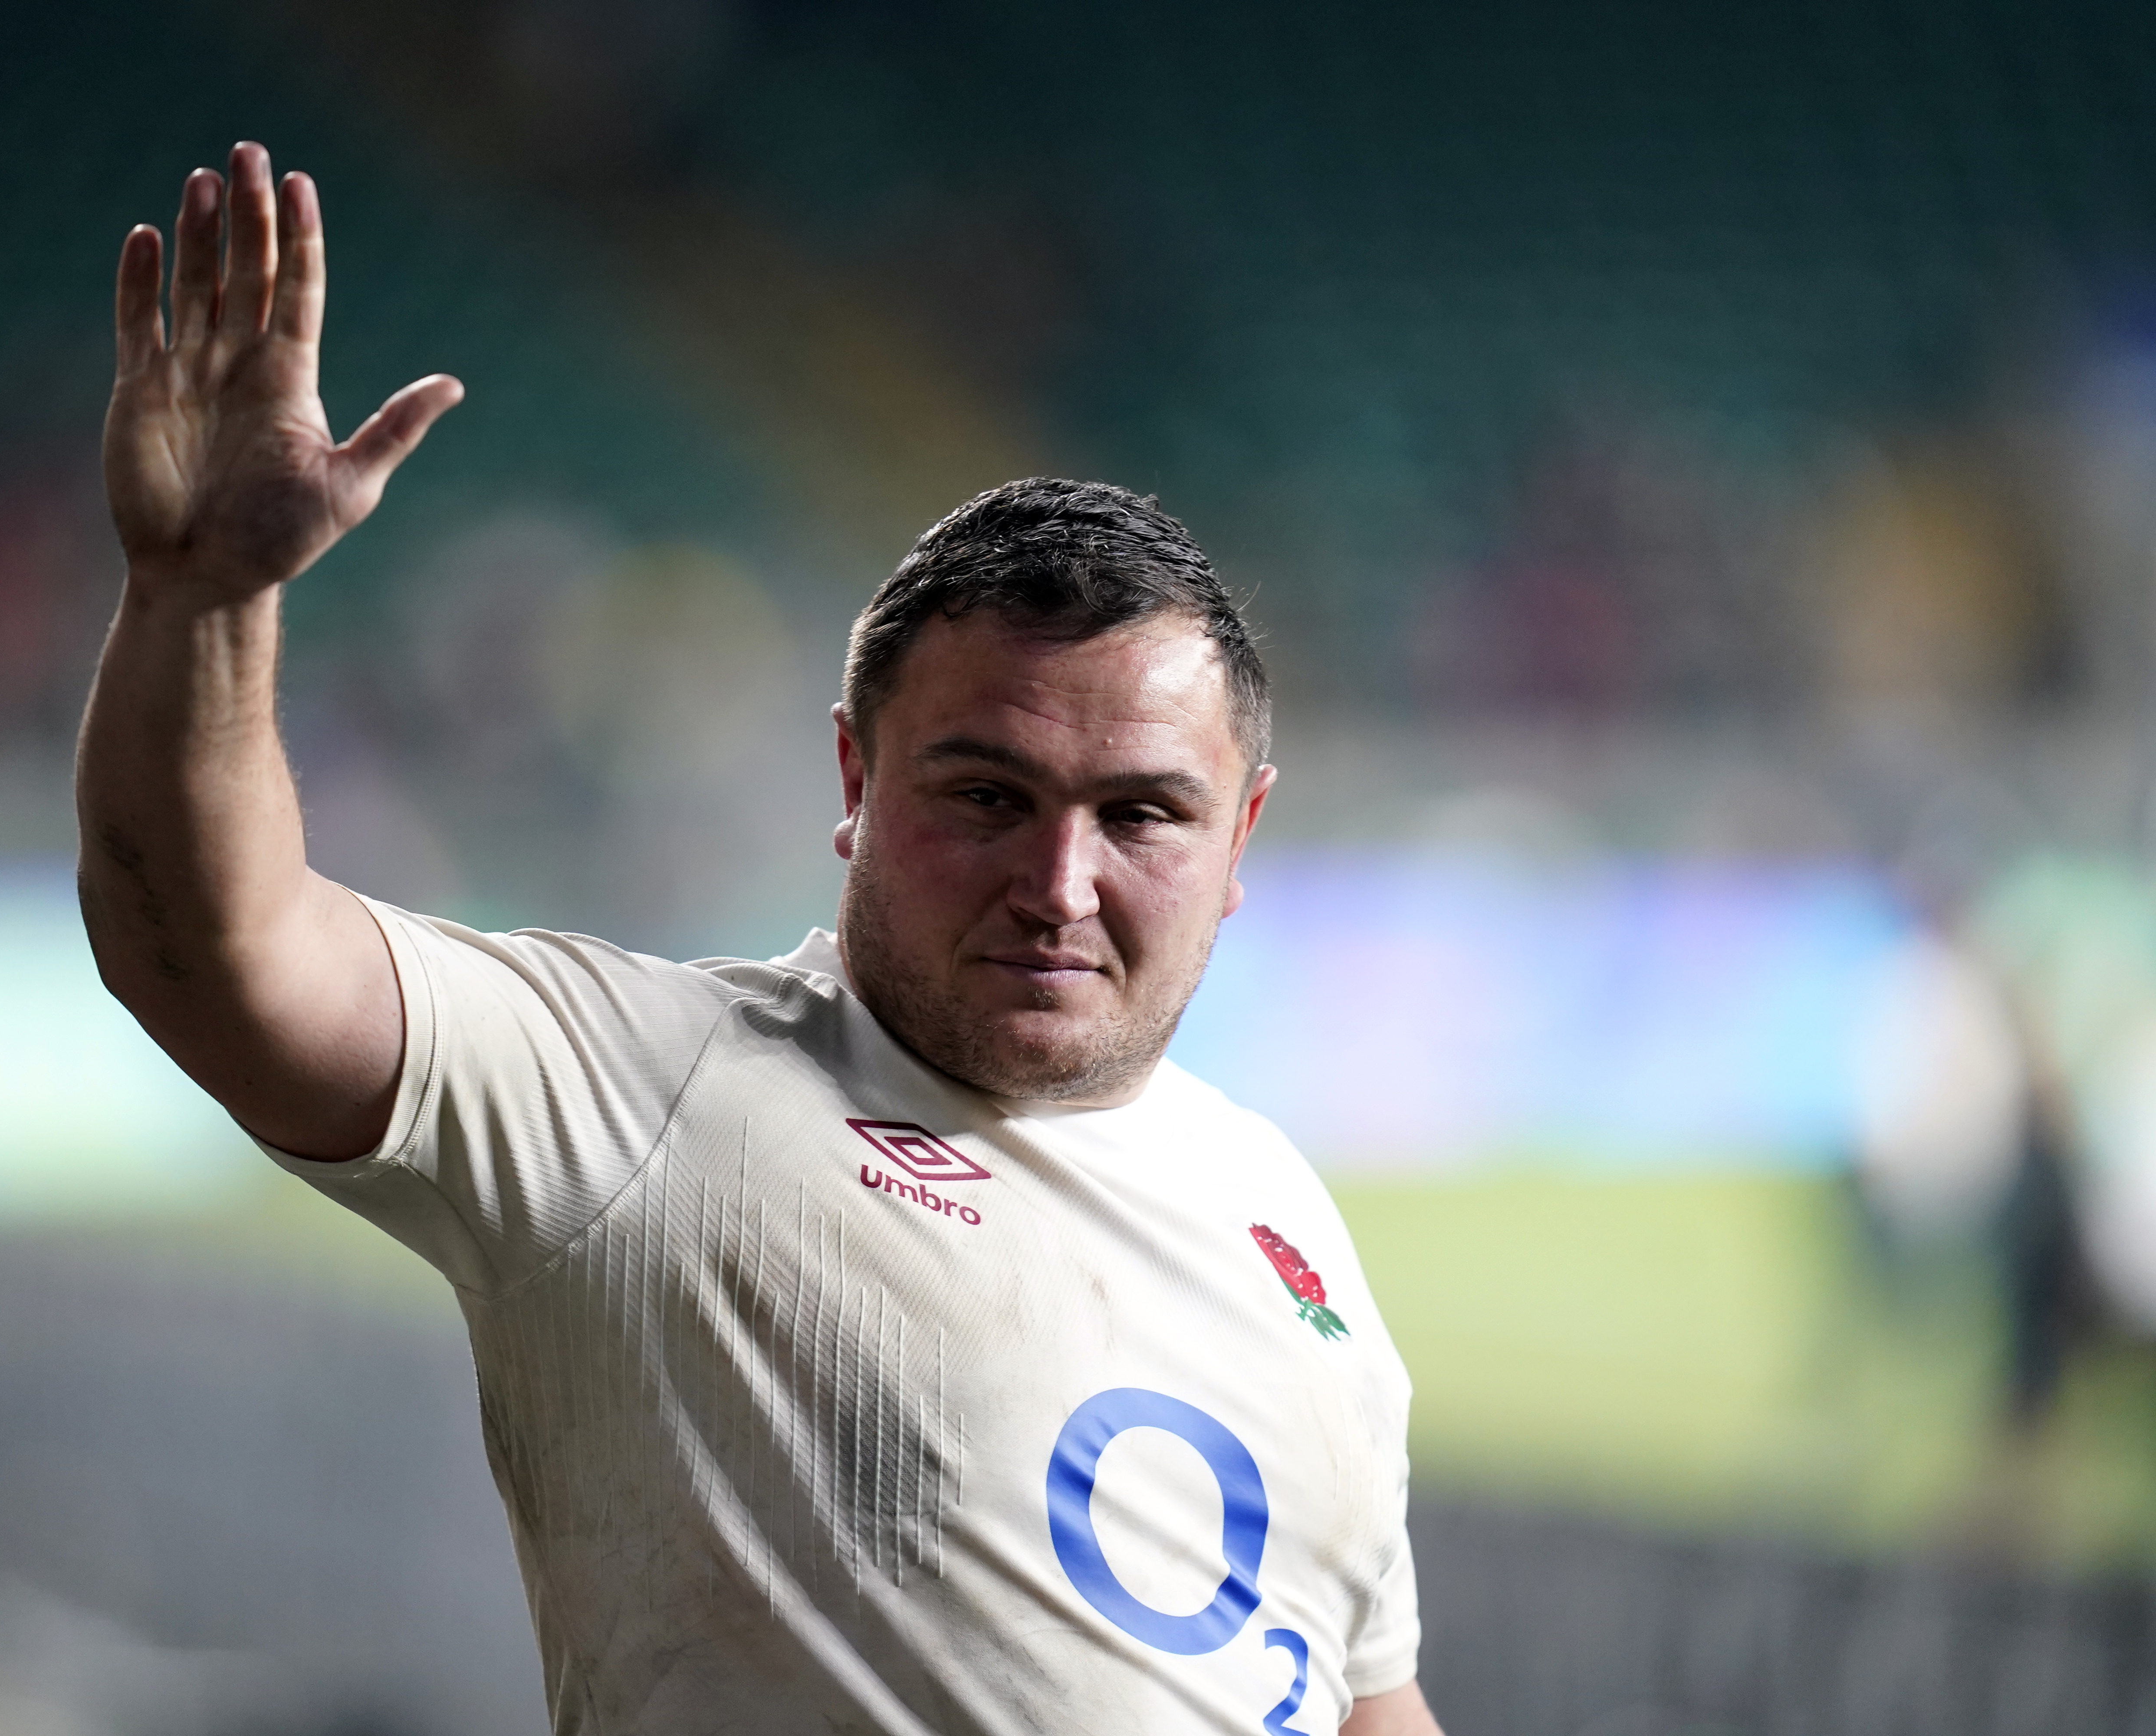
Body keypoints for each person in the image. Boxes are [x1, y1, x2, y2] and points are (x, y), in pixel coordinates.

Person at [77, 141, 1441, 1736]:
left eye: (1141, 816)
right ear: (855, 781)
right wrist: (202, 604)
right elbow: (218, 956)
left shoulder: (1281, 1216)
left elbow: (1364, 1702)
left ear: (1241, 841)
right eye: (988, 795)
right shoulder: (648, 1094)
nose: (1060, 882)